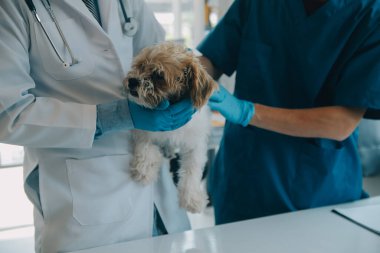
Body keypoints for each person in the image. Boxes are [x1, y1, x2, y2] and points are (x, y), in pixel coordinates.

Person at [0, 1, 194, 252]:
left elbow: (159, 50)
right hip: (82, 199)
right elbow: (8, 113)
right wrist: (113, 115)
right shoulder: (12, 6)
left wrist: (187, 91)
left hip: (158, 198)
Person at [197, 0, 380, 225]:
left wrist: (246, 111)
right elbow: (213, 60)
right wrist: (180, 77)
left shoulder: (370, 14)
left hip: (320, 196)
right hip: (243, 183)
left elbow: (342, 122)